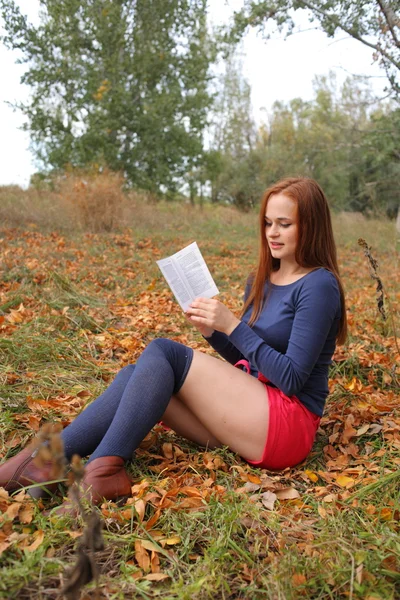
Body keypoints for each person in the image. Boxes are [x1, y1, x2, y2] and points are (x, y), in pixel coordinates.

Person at [0, 177, 347, 508]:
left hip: (287, 424)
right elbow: (248, 360)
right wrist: (213, 332)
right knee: (138, 377)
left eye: (284, 224)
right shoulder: (261, 279)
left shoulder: (318, 286)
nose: (272, 232)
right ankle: (46, 465)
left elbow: (291, 379)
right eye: (268, 222)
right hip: (253, 411)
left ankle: (98, 472)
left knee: (164, 352)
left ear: (310, 225)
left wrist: (232, 325)